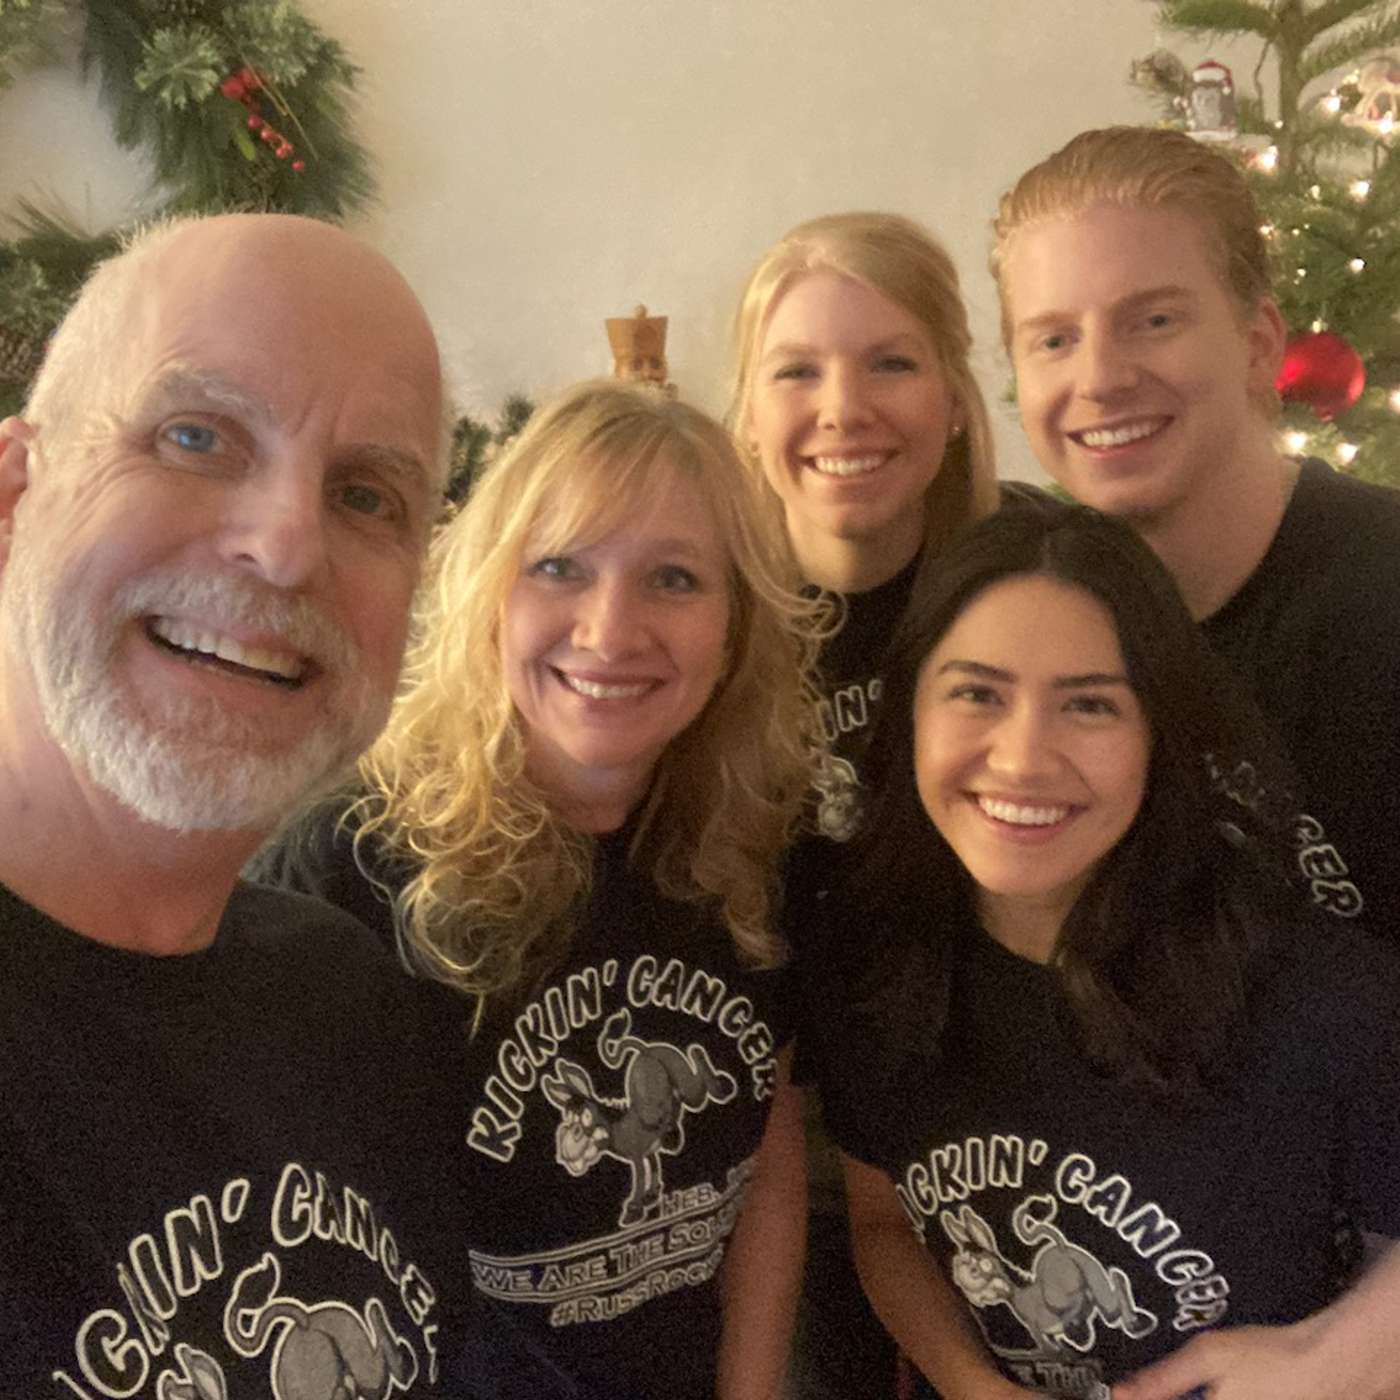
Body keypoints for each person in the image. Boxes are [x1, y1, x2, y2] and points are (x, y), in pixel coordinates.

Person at [257, 379, 820, 1400]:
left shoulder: (760, 839)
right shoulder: (350, 864)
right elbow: (293, 1239)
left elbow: (767, 1160)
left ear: (736, 626)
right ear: (489, 592)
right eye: (559, 566)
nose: (609, 630)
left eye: (674, 578)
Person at [0, 215, 460, 1397]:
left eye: (366, 495)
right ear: (13, 494)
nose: (289, 544)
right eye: (195, 436)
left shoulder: (347, 1001)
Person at [809, 502, 1400, 1400]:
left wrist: (1327, 1366)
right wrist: (971, 1384)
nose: (1022, 759)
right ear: (909, 715)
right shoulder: (867, 967)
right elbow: (883, 1221)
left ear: (1160, 734)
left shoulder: (1317, 999)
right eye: (976, 693)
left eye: (1089, 704)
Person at [992, 124, 1400, 942]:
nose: (1099, 379)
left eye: (1154, 321)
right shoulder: (1031, 613)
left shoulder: (1381, 592)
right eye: (1055, 340)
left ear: (1258, 345)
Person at [727, 211, 1003, 1395]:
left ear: (953, 398)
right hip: (784, 1144)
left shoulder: (1030, 585)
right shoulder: (699, 616)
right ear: (748, 411)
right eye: (797, 370)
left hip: (1012, 1121)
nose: (842, 408)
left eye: (890, 361)